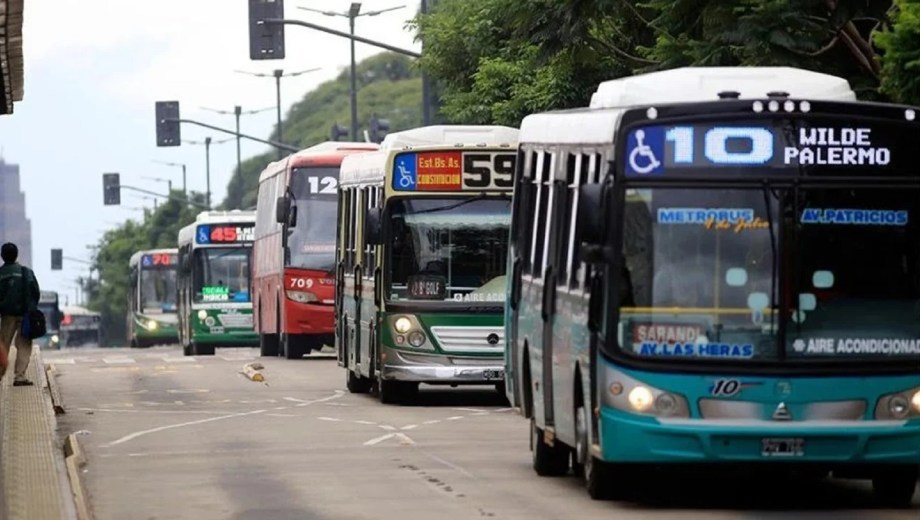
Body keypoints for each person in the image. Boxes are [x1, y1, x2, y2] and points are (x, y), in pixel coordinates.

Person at [0, 243, 41, 386]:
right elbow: (35, 292)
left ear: (2, 256)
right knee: (24, 345)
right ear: (16, 255)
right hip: (25, 316)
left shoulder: (1, 273)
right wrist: (31, 308)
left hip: (6, 316)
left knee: (3, 345)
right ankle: (20, 377)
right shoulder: (26, 272)